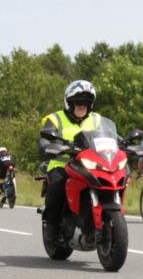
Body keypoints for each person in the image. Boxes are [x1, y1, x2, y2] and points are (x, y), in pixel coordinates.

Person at [38, 80, 100, 249]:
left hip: (91, 164)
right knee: (58, 183)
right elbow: (45, 139)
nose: (82, 106)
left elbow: (111, 137)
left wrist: (123, 143)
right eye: (78, 102)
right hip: (62, 163)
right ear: (69, 102)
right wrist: (47, 146)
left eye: (86, 102)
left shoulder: (96, 119)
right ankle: (51, 225)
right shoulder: (55, 118)